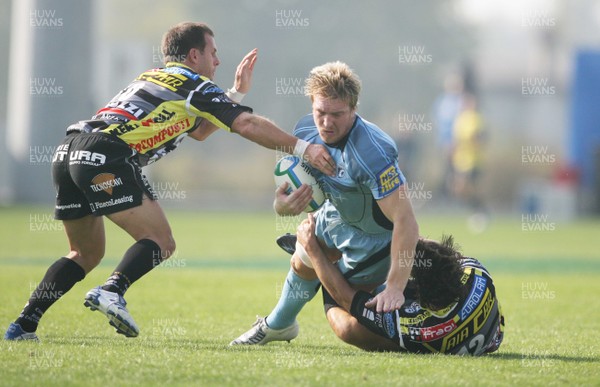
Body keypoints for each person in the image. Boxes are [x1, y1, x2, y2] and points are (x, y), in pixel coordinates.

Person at [4, 21, 335, 341]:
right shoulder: (194, 83)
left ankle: (23, 324)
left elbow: (201, 131)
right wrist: (303, 148)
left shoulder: (156, 77)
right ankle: (112, 291)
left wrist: (234, 92)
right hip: (106, 155)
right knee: (161, 241)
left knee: (83, 253)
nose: (218, 60)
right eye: (213, 52)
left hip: (68, 152)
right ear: (194, 56)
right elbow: (246, 124)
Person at [230, 61, 419, 345]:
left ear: (354, 109)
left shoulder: (372, 153)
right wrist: (282, 207)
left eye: (337, 114)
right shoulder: (305, 131)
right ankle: (278, 325)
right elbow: (308, 191)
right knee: (302, 258)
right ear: (311, 105)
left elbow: (406, 220)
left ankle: (401, 284)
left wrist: (395, 287)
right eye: (321, 112)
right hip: (336, 217)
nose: (327, 123)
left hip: (376, 241)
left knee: (349, 319)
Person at [296, 214, 505, 355]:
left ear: (424, 302)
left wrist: (314, 250)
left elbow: (347, 299)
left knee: (349, 329)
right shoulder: (475, 271)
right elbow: (430, 250)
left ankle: (332, 267)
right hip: (486, 330)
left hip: (442, 334)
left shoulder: (421, 325)